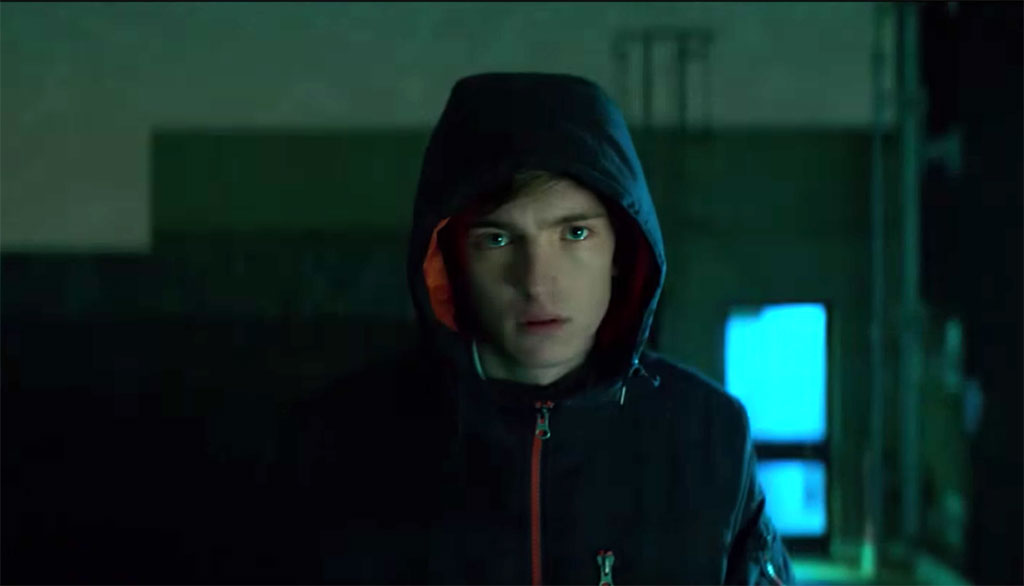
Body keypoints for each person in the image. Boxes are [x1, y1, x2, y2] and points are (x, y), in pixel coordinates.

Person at [261, 72, 794, 585]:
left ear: (620, 249)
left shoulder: (708, 435)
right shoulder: (341, 440)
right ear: (451, 260)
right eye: (497, 240)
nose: (536, 282)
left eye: (575, 233)